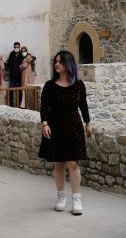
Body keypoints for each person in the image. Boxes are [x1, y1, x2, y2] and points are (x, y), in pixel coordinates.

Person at [38, 50, 92, 215]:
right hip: (55, 126)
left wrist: (88, 123)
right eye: (56, 61)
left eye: (60, 62)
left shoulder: (78, 85)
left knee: (73, 163)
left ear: (69, 64)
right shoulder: (49, 85)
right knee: (58, 163)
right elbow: (44, 107)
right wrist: (44, 124)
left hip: (73, 126)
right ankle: (61, 196)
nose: (57, 64)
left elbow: (83, 106)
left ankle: (76, 198)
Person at [5, 42, 24, 106]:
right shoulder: (11, 54)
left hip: (19, 75)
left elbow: (30, 57)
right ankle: (11, 105)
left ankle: (19, 105)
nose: (16, 48)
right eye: (15, 47)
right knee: (11, 90)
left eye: (17, 47)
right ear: (14, 47)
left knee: (20, 90)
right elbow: (8, 63)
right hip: (12, 75)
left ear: (19, 47)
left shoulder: (21, 54)